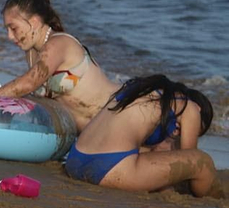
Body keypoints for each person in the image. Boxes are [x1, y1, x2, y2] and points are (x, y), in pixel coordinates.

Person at [64, 76, 220, 196]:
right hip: (108, 170)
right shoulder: (190, 107)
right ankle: (211, 198)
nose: (177, 133)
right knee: (201, 161)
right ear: (199, 109)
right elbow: (188, 160)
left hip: (75, 161)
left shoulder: (145, 93)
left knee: (150, 154)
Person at [0, 0, 121, 130]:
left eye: (13, 28)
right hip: (93, 133)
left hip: (118, 115)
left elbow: (27, 84)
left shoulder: (58, 43)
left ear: (35, 22)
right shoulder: (32, 52)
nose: (10, 37)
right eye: (7, 30)